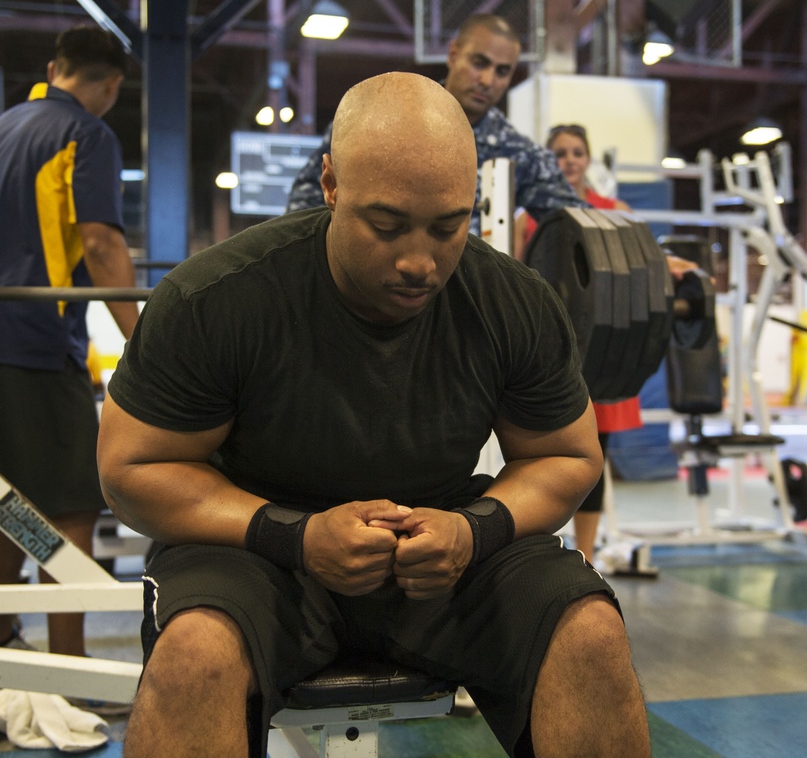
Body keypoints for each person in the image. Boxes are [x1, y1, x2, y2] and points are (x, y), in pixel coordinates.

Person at [96, 73, 651, 758]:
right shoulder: (218, 299)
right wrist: (295, 536)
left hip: (442, 556)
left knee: (589, 630)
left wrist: (472, 532)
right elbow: (130, 466)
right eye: (386, 226)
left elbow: (567, 456)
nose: (421, 261)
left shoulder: (512, 301)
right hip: (260, 554)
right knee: (194, 654)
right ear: (330, 185)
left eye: (449, 227)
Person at [0, 25, 138, 661]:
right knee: (69, 509)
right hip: (36, 344)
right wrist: (144, 340)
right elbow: (104, 245)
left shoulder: (6, 127)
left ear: (55, 67)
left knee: (7, 504)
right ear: (109, 86)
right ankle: (70, 669)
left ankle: (8, 651)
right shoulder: (86, 133)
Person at [517, 123, 697, 564]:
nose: (570, 160)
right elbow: (519, 279)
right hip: (550, 357)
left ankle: (586, 556)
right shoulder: (529, 220)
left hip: (601, 356)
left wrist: (669, 266)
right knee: (537, 457)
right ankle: (538, 555)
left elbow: (641, 264)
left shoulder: (613, 209)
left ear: (588, 159)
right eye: (560, 152)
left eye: (577, 152)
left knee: (592, 463)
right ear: (549, 161)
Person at [286, 14, 586, 237]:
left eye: (502, 71)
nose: (487, 80)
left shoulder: (519, 154)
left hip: (467, 302)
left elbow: (581, 226)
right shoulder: (378, 119)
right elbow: (306, 204)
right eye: (479, 63)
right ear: (453, 54)